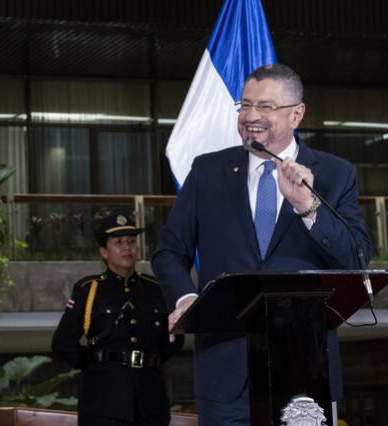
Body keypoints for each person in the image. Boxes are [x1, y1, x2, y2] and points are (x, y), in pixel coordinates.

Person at [151, 63, 372, 425]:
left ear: (296, 114)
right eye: (245, 105)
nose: (251, 117)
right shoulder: (208, 171)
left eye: (266, 107)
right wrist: (187, 298)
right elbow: (169, 251)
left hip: (306, 370)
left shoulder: (335, 173)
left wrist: (307, 206)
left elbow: (358, 256)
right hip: (225, 374)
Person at [52, 212, 183, 426]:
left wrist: (147, 361)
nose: (127, 247)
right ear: (104, 251)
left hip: (150, 399)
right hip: (104, 401)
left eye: (132, 241)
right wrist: (98, 363)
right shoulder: (89, 289)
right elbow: (62, 343)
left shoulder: (155, 289)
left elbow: (173, 340)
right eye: (118, 242)